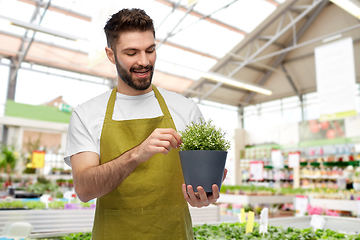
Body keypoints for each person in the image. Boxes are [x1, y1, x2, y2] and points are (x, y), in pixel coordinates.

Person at [64, 8, 227, 240]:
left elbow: (199, 181)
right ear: (111, 55)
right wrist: (137, 154)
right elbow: (85, 189)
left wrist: (204, 195)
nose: (144, 61)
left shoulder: (185, 109)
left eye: (150, 50)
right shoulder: (86, 114)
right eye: (131, 53)